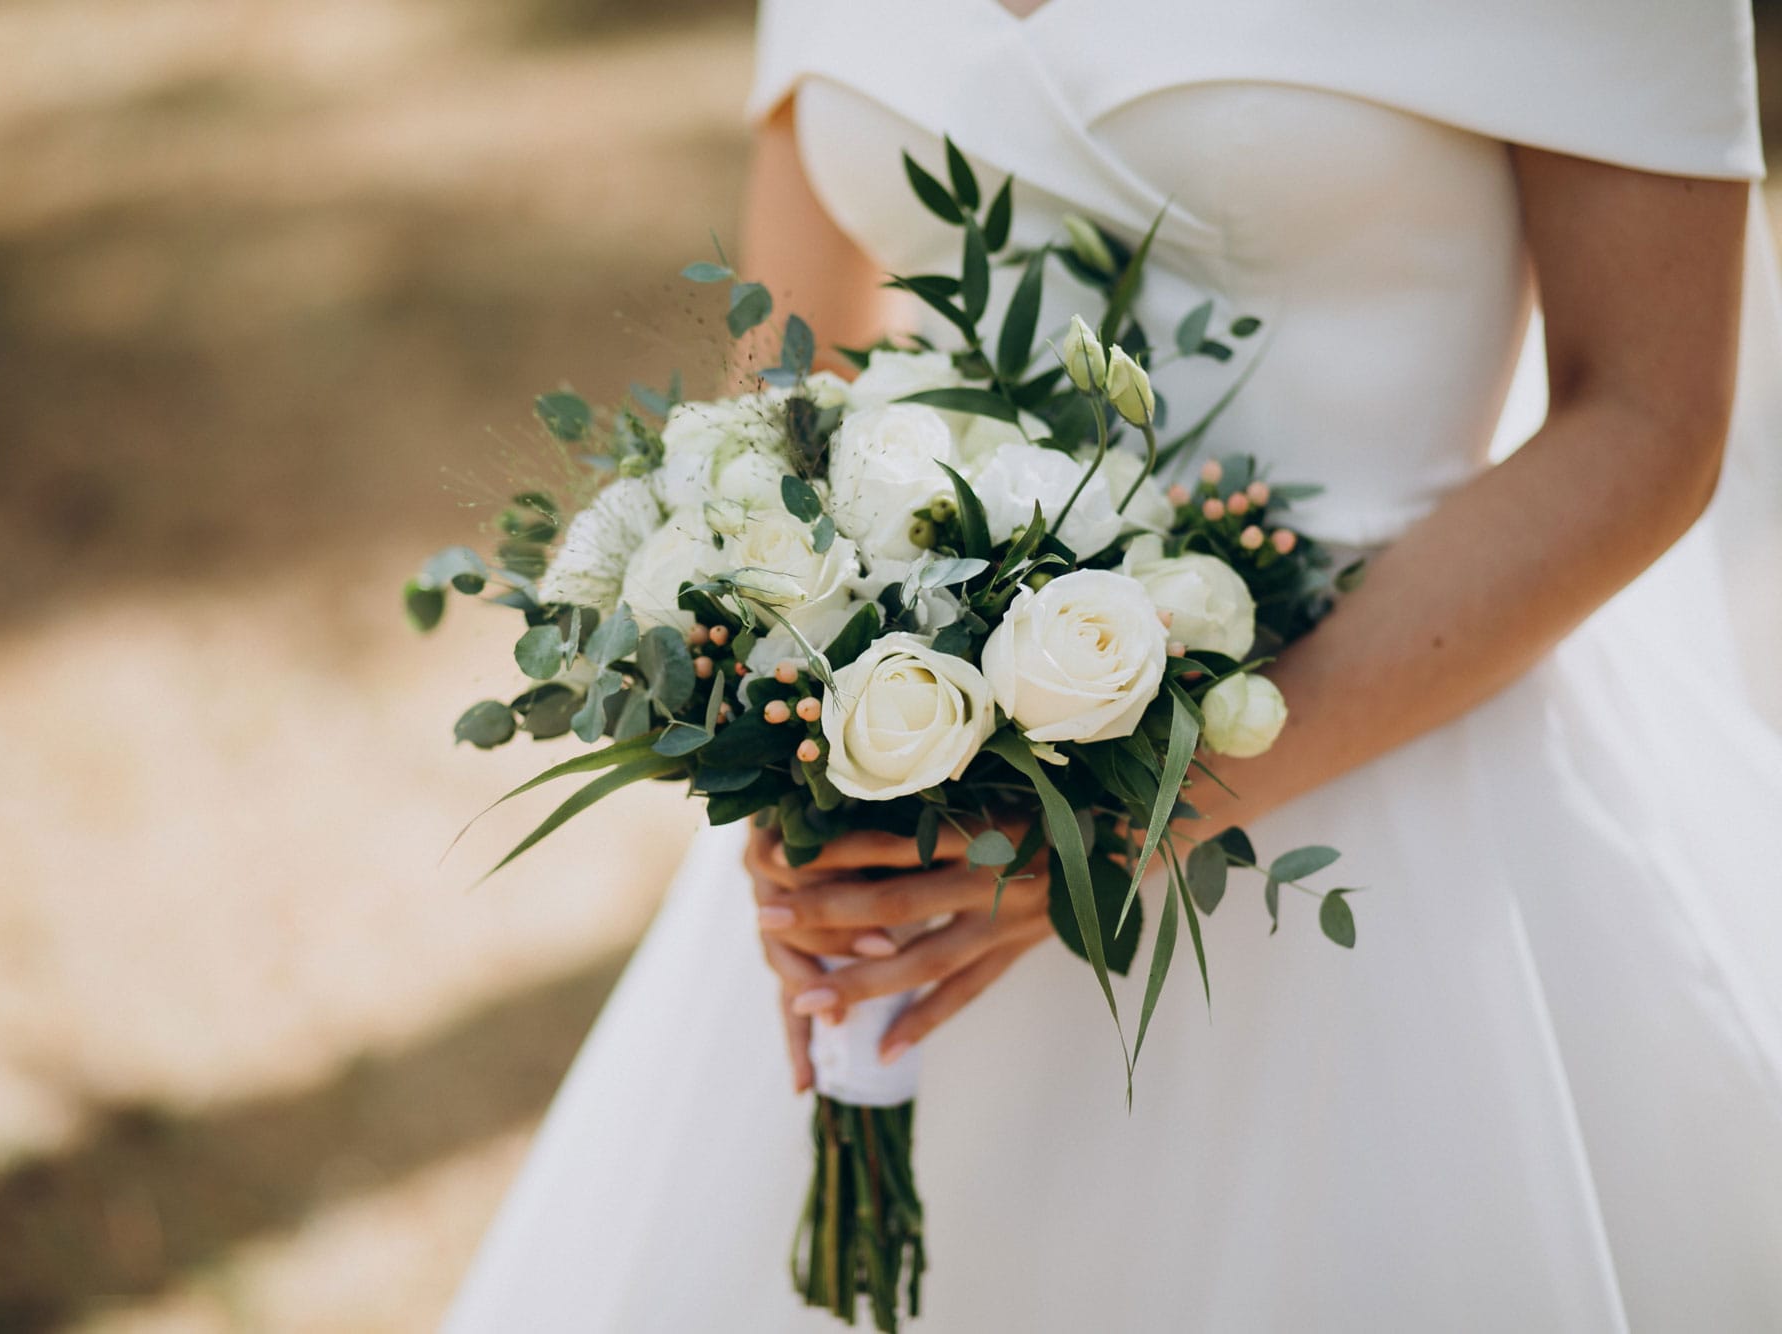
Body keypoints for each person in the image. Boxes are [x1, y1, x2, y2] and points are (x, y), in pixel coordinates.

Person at [446, 1, 1782, 1327]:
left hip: (1401, 819)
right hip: (928, 813)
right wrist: (794, 738)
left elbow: (1650, 416)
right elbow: (798, 382)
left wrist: (1131, 812)